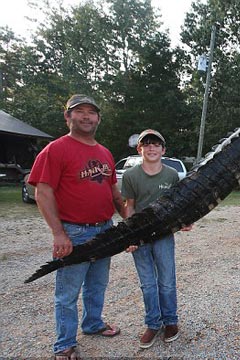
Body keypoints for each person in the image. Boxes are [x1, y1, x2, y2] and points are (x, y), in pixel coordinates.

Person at [27, 94, 125, 359]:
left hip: (106, 228)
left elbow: (114, 193)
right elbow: (43, 193)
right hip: (74, 231)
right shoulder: (56, 149)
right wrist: (58, 233)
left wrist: (129, 217)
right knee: (67, 293)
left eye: (91, 112)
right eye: (79, 111)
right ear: (68, 116)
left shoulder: (104, 152)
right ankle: (64, 344)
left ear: (98, 119)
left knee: (97, 284)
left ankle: (93, 324)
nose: (86, 116)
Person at [122, 129, 191, 349]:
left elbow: (177, 205)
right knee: (148, 285)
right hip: (140, 238)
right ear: (139, 149)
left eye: (156, 144)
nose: (151, 148)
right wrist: (128, 235)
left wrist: (184, 221)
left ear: (163, 150)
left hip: (163, 236)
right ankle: (153, 323)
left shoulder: (171, 175)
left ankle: (170, 322)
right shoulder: (131, 175)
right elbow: (130, 207)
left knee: (167, 282)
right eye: (147, 144)